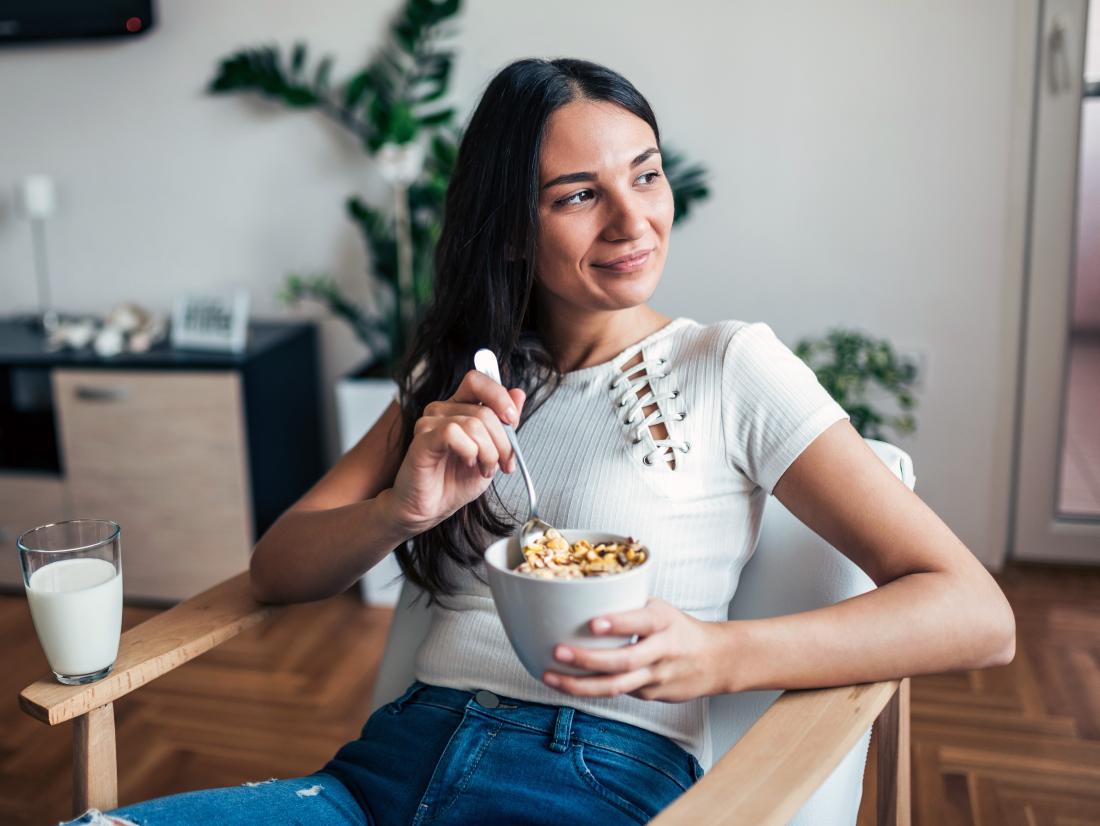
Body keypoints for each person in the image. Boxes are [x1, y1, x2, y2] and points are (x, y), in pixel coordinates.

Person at [69, 57, 1015, 826]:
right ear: (512, 229)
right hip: (375, 779)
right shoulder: (454, 387)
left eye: (645, 174)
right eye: (576, 196)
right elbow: (277, 571)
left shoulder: (728, 366)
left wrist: (723, 656)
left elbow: (977, 614)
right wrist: (401, 509)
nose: (633, 218)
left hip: (590, 779)